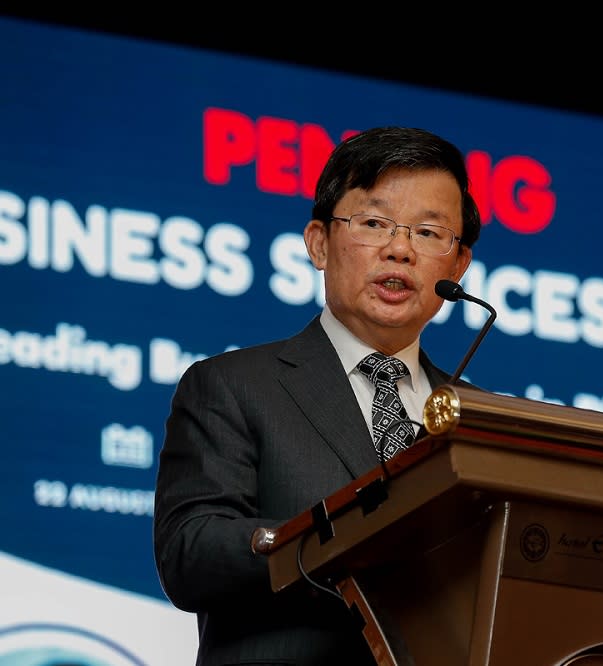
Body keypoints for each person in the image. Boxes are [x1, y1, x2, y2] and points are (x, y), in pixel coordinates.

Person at [152, 126, 481, 665]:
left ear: (458, 265)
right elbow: (191, 552)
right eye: (374, 223)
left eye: (428, 233)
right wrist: (341, 542)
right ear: (319, 244)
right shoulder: (233, 387)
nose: (400, 249)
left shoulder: (481, 418)